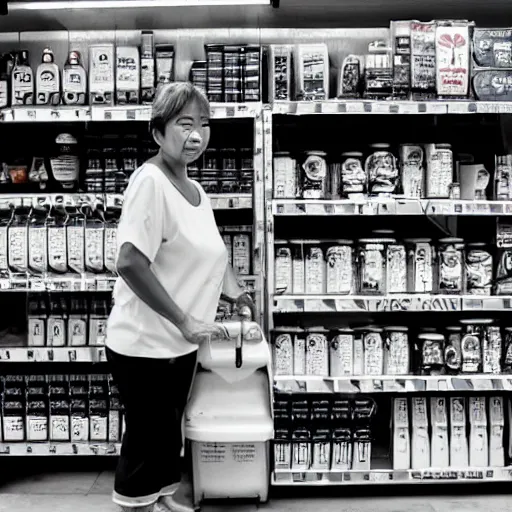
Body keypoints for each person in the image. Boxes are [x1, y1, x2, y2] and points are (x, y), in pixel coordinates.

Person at [105, 82, 255, 512]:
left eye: (204, 124)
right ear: (158, 132)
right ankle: (136, 504)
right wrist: (185, 319)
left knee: (170, 429)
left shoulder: (196, 190)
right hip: (144, 341)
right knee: (146, 435)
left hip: (179, 344)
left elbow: (212, 253)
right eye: (184, 124)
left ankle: (163, 495)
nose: (197, 134)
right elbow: (130, 262)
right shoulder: (150, 182)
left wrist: (237, 292)